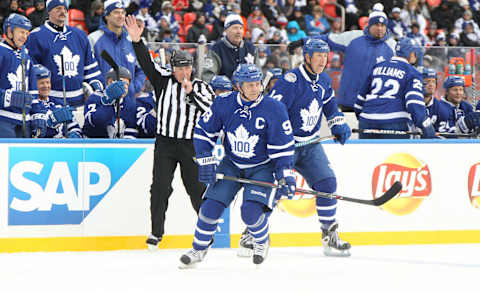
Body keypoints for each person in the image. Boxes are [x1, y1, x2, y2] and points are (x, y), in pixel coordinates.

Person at [239, 39, 352, 258]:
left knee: (327, 183)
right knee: (275, 189)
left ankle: (329, 236)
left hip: (309, 145)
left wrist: (338, 122)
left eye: (325, 55)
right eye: (318, 55)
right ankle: (250, 235)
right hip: (284, 147)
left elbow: (329, 106)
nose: (322, 60)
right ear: (307, 57)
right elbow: (272, 111)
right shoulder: (290, 81)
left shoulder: (324, 80)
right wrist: (278, 141)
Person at [179, 63, 295, 267]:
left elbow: (283, 146)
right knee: (209, 209)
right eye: (249, 84)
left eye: (258, 84)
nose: (255, 88)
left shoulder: (274, 108)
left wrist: (285, 173)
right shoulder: (223, 102)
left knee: (250, 212)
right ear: (238, 86)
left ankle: (261, 241)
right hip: (231, 164)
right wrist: (205, 158)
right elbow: (203, 132)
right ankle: (198, 249)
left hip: (262, 167)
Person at [125, 14, 216, 249]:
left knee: (196, 188)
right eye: (179, 68)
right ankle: (156, 232)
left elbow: (209, 110)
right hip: (165, 143)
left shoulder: (202, 87)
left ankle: (206, 229)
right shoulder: (163, 80)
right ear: (173, 68)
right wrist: (137, 41)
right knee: (160, 187)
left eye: (186, 67)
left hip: (190, 144)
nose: (183, 71)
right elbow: (146, 62)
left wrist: (190, 93)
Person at [288, 5, 396, 112]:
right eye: (376, 24)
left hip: (375, 104)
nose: (380, 28)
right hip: (349, 101)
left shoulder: (392, 47)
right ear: (369, 25)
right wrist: (302, 41)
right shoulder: (353, 37)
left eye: (383, 25)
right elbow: (327, 39)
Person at [25, 0, 104, 126]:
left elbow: (92, 71)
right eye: (57, 8)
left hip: (80, 105)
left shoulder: (79, 35)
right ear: (49, 11)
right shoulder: (36, 36)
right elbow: (31, 76)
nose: (62, 12)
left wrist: (97, 92)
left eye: (64, 9)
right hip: (51, 107)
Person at [355, 37, 436, 139]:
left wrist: (363, 116)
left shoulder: (378, 66)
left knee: (368, 155)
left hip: (366, 120)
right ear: (412, 54)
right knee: (394, 155)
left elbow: (360, 98)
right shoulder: (412, 72)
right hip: (394, 121)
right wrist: (426, 126)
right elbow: (413, 103)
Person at [89, 0, 147, 138]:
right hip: (104, 104)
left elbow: (142, 68)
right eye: (116, 12)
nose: (120, 16)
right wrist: (103, 92)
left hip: (129, 102)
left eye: (123, 12)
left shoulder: (133, 39)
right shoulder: (93, 39)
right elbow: (88, 70)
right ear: (107, 15)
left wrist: (134, 86)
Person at [0, 13, 35, 138]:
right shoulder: (1, 52)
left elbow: (33, 91)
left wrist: (38, 115)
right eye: (21, 32)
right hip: (3, 120)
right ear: (9, 31)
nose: (24, 36)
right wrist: (8, 97)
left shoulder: (26, 56)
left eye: (27, 33)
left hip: (24, 122)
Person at [31, 64, 82, 138]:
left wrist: (74, 135)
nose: (46, 86)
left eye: (48, 82)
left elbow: (75, 127)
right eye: (41, 83)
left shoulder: (60, 103)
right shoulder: (30, 106)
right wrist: (50, 121)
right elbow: (32, 134)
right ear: (33, 85)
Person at [201, 13, 257, 82]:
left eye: (241, 28)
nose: (239, 31)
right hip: (224, 91)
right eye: (235, 28)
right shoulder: (216, 49)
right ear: (226, 30)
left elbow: (259, 74)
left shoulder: (251, 48)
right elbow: (208, 76)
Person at [83, 67, 134, 138]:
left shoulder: (129, 103)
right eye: (122, 82)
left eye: (127, 84)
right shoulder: (95, 97)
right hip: (94, 145)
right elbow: (94, 122)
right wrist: (108, 100)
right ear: (110, 82)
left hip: (120, 147)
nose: (125, 86)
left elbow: (132, 129)